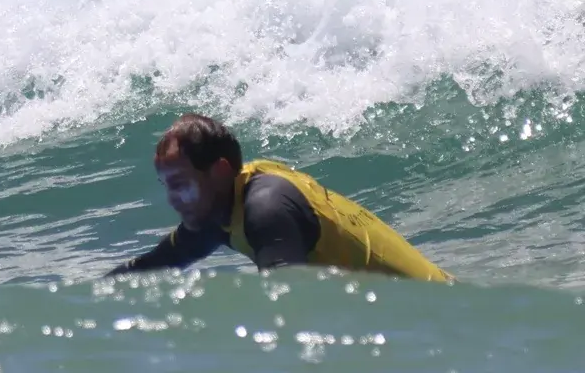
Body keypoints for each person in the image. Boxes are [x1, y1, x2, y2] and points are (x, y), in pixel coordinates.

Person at [114, 113, 450, 281]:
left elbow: (288, 306)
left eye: (179, 183)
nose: (172, 199)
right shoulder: (218, 211)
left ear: (219, 171)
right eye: (166, 186)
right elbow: (153, 266)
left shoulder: (267, 207)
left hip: (438, 317)